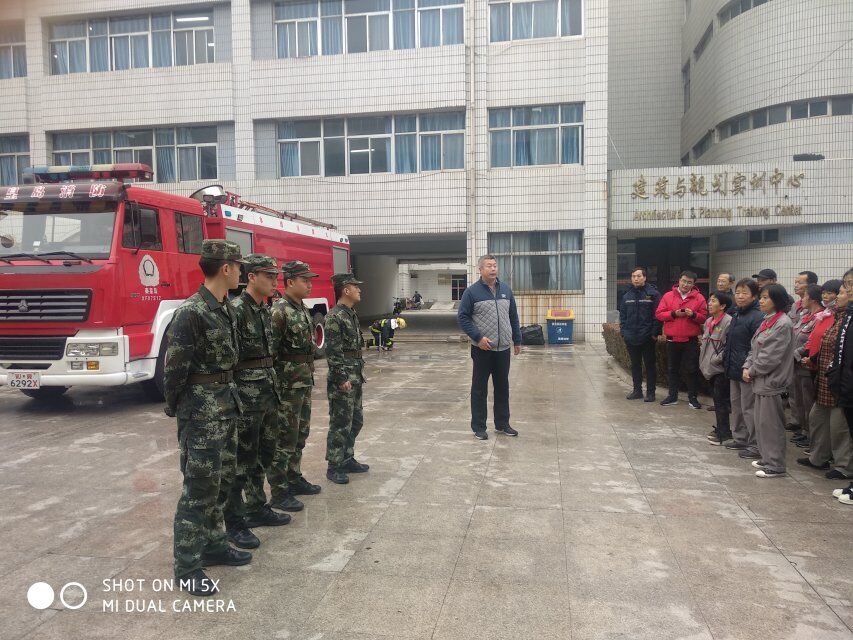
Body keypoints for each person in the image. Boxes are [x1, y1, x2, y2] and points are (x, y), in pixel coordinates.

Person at [163, 239, 251, 598]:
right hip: (201, 414)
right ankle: (187, 564)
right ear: (225, 268)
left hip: (226, 406)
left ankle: (215, 543)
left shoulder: (224, 307)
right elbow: (174, 372)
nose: (242, 271)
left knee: (223, 481)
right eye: (238, 266)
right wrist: (181, 411)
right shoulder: (192, 312)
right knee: (198, 489)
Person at [225, 255, 291, 551]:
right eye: (269, 275)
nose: (275, 281)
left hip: (267, 392)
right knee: (241, 460)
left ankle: (256, 505)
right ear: (251, 276)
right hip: (247, 397)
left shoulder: (264, 311)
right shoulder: (237, 311)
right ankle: (235, 521)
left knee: (263, 454)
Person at [265, 260, 323, 509]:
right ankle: (279, 491)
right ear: (289, 282)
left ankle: (293, 477)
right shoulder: (279, 311)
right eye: (304, 280)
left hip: (302, 383)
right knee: (284, 438)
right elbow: (271, 352)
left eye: (310, 280)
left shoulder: (301, 309)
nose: (310, 284)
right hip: (287, 387)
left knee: (300, 435)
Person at [457, 255, 522, 440]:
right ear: (480, 269)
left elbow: (513, 316)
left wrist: (516, 340)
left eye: (495, 265)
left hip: (503, 349)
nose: (493, 269)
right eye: (488, 266)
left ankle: (502, 424)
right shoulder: (472, 292)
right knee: (479, 389)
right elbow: (463, 317)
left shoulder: (506, 290)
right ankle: (479, 427)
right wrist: (478, 338)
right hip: (482, 349)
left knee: (502, 387)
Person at [800, 281, 852, 481]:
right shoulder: (835, 316)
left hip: (839, 381)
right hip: (823, 377)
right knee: (817, 419)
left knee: (839, 426)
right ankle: (818, 457)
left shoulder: (847, 319)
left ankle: (844, 466)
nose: (837, 297)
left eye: (841, 293)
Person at [743, 284, 795, 478]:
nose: (761, 301)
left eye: (766, 298)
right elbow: (754, 348)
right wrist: (747, 366)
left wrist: (753, 370)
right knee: (761, 423)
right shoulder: (768, 321)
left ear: (777, 300)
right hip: (760, 380)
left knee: (771, 425)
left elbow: (770, 356)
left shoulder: (783, 323)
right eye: (761, 298)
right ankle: (767, 458)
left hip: (771, 381)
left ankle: (775, 465)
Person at [325, 273, 369, 484]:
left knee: (356, 420)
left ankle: (347, 457)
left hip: (355, 375)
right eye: (355, 286)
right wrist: (341, 377)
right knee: (340, 423)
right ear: (345, 290)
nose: (359, 290)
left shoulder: (350, 314)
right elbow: (333, 351)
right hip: (343, 378)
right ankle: (334, 465)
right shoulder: (335, 317)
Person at [723, 279, 764, 458]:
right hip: (734, 368)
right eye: (737, 292)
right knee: (737, 406)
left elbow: (757, 346)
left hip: (747, 371)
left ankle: (755, 444)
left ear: (754, 296)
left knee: (749, 408)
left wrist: (749, 367)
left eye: (744, 293)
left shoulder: (757, 316)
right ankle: (740, 437)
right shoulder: (737, 313)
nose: (739, 296)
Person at [655, 270, 707, 408]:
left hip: (690, 340)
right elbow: (659, 314)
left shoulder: (699, 298)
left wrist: (693, 315)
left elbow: (704, 317)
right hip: (672, 340)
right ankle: (672, 396)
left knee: (691, 369)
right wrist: (673, 313)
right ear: (679, 280)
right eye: (683, 281)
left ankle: (693, 398)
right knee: (672, 369)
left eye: (689, 282)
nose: (685, 284)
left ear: (693, 284)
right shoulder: (668, 296)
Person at [788, 283, 823, 446]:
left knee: (808, 402)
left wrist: (795, 354)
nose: (802, 299)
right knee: (798, 400)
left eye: (805, 296)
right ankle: (803, 429)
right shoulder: (805, 315)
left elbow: (811, 342)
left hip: (806, 366)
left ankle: (811, 435)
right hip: (795, 365)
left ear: (814, 299)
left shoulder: (820, 317)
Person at [619, 267, 661, 402]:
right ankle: (637, 390)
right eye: (633, 276)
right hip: (631, 337)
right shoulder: (627, 295)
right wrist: (624, 332)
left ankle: (651, 393)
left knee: (649, 365)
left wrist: (654, 333)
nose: (635, 279)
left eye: (638, 276)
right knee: (635, 365)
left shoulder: (653, 294)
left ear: (644, 277)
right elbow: (623, 315)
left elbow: (657, 316)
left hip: (647, 337)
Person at [830, 268, 853, 504]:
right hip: (845, 385)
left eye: (850, 285)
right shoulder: (847, 315)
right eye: (846, 284)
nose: (845, 290)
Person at [700, 291, 733, 445]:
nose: (709, 303)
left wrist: (715, 360)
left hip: (719, 369)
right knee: (717, 401)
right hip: (709, 368)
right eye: (710, 300)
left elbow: (728, 347)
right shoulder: (709, 321)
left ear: (723, 306)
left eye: (713, 301)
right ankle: (720, 428)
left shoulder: (728, 322)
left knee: (721, 402)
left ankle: (724, 432)